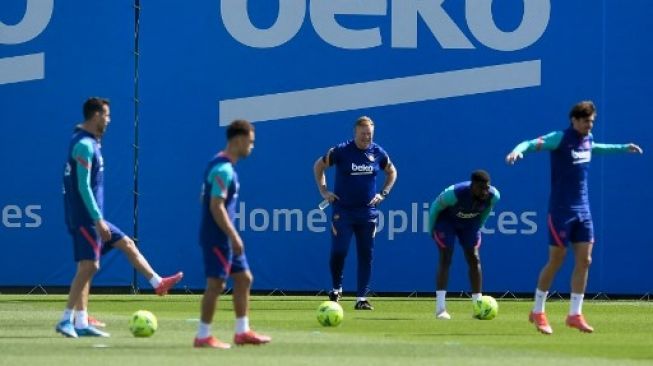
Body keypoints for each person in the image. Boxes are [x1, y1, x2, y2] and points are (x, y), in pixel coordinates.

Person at [506, 100, 643, 334]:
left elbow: (597, 148)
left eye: (592, 121)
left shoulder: (587, 139)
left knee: (585, 261)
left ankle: (574, 314)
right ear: (575, 120)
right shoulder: (560, 138)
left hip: (583, 210)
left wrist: (623, 147)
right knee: (557, 259)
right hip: (561, 211)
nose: (590, 125)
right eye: (587, 121)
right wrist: (518, 150)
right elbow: (530, 143)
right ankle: (538, 311)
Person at [56, 97, 184, 338]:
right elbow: (82, 186)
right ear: (95, 116)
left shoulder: (90, 142)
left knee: (123, 244)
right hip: (86, 217)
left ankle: (156, 283)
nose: (109, 120)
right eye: (106, 115)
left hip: (91, 216)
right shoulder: (84, 144)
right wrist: (97, 219)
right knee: (89, 266)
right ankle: (66, 320)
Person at [194, 119, 271, 349]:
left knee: (244, 278)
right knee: (216, 284)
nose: (252, 146)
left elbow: (203, 197)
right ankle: (203, 335)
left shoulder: (219, 165)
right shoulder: (223, 168)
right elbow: (215, 206)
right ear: (238, 140)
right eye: (250, 141)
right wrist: (233, 235)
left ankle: (242, 331)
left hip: (224, 236)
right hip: (218, 237)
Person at [313, 116, 398, 310]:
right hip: (343, 212)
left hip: (368, 213)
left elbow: (392, 172)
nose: (366, 137)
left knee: (366, 254)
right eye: (363, 134)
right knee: (339, 252)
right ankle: (336, 288)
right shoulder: (341, 151)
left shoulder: (378, 152)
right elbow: (318, 165)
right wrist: (324, 191)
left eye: (369, 134)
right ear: (355, 133)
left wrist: (383, 193)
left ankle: (361, 298)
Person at [427, 170, 500, 320]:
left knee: (474, 257)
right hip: (446, 222)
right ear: (472, 186)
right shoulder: (454, 193)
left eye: (487, 187)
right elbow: (435, 207)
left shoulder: (494, 196)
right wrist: (431, 229)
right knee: (446, 256)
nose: (485, 191)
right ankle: (441, 309)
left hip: (470, 224)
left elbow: (486, 212)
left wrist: (478, 228)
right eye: (481, 188)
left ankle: (477, 307)